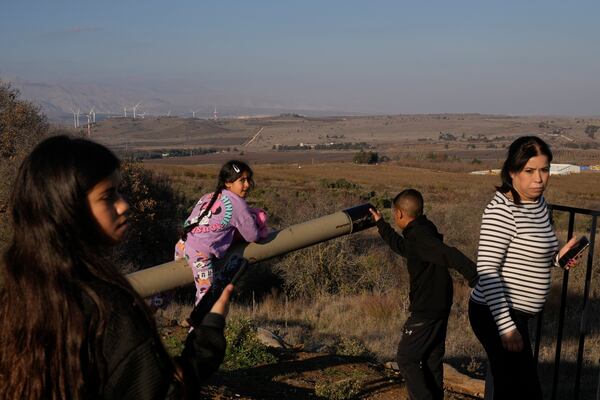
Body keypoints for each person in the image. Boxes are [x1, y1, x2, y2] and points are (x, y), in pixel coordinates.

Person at [0, 135, 232, 399]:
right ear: (68, 208)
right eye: (108, 196)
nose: (123, 205)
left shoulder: (20, 295)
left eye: (119, 192)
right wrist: (209, 332)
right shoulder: (107, 308)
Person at [468, 136, 579, 399]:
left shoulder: (538, 204)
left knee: (510, 386)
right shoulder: (501, 211)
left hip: (518, 314)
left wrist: (558, 257)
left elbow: (533, 252)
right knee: (523, 390)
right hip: (495, 312)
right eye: (529, 171)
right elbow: (487, 271)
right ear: (512, 172)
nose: (539, 179)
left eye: (544, 169)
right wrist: (506, 327)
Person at [369, 189, 478, 400]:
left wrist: (476, 278)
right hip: (439, 305)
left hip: (427, 309)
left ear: (400, 214)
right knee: (430, 360)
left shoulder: (420, 237)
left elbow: (450, 254)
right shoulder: (422, 231)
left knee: (406, 358)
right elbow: (402, 247)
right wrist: (381, 224)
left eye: (393, 214)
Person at [174, 160, 268, 305]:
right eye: (242, 180)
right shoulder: (238, 204)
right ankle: (197, 327)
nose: (247, 185)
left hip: (183, 243)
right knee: (205, 298)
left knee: (171, 283)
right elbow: (252, 236)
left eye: (248, 179)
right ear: (228, 183)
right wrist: (260, 228)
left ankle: (151, 309)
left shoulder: (209, 196)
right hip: (200, 253)